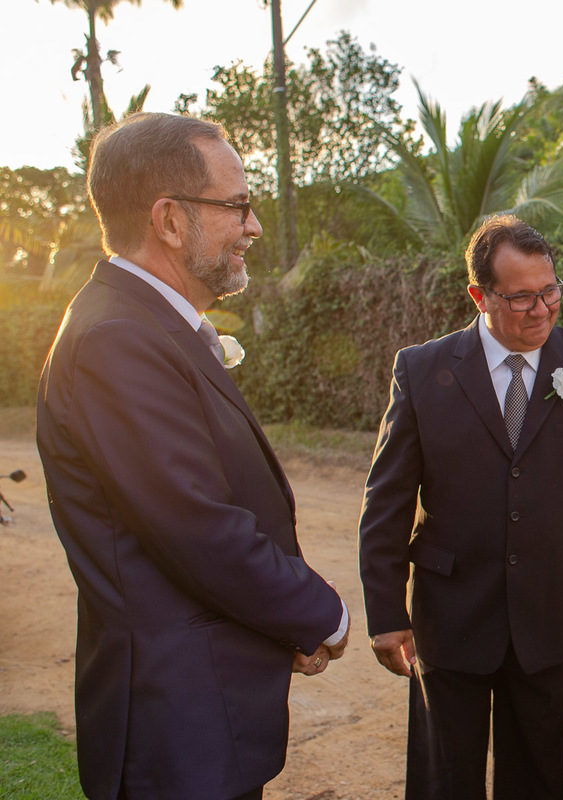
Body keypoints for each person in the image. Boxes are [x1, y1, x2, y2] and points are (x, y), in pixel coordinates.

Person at [36, 112, 350, 800]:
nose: (253, 226)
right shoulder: (117, 338)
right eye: (237, 205)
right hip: (175, 734)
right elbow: (197, 527)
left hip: (197, 723)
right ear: (171, 221)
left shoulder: (139, 324)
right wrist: (320, 614)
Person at [358, 214, 563, 800]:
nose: (541, 309)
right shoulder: (422, 370)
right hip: (451, 615)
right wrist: (386, 611)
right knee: (445, 781)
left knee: (537, 781)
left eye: (550, 291)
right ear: (479, 296)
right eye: (521, 297)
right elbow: (387, 501)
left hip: (548, 615)